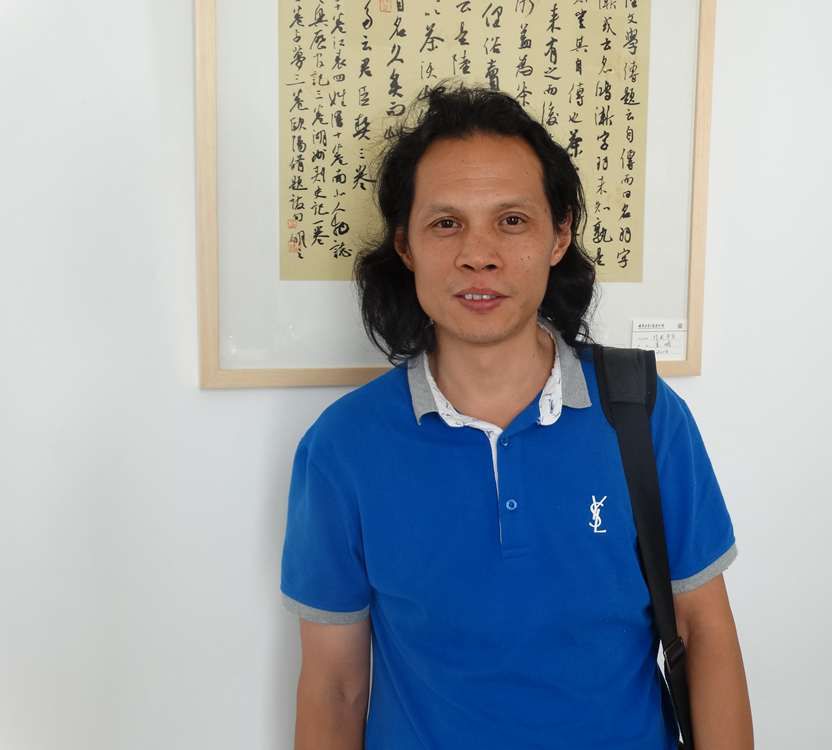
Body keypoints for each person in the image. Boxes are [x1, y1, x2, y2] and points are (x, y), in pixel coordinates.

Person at [280, 83, 753, 750]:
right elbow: (334, 686)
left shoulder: (643, 414)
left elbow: (704, 632)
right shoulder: (342, 447)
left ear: (560, 234)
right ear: (405, 246)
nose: (479, 254)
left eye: (511, 220)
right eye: (446, 223)